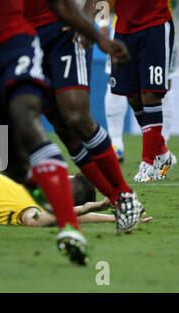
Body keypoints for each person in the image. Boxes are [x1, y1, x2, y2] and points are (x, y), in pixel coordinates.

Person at [0, 0, 132, 265]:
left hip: (15, 47)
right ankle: (40, 192)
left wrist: (98, 37)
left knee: (27, 120)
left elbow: (59, 4)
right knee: (13, 162)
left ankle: (70, 228)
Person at [0, 108, 152, 265]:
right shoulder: (26, 200)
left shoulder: (27, 205)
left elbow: (39, 219)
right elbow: (57, 216)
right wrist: (107, 216)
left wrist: (91, 206)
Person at [23, 0, 145, 235]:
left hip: (65, 28)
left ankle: (124, 193)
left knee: (76, 116)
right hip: (24, 38)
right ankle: (118, 201)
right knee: (63, 128)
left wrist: (88, 15)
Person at [99, 0, 177, 182]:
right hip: (123, 31)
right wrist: (102, 25)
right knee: (132, 97)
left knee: (151, 94)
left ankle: (148, 163)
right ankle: (164, 154)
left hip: (156, 26)